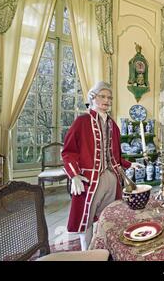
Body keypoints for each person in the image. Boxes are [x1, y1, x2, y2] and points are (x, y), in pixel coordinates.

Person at [62, 81, 139, 250]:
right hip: (89, 180)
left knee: (109, 216)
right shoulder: (81, 122)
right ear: (92, 98)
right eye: (102, 96)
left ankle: (103, 247)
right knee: (86, 219)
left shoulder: (113, 125)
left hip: (111, 178)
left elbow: (116, 155)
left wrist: (129, 164)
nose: (107, 100)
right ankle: (87, 253)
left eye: (109, 97)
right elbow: (68, 151)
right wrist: (74, 175)